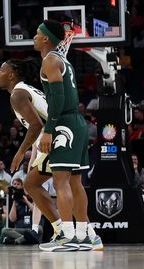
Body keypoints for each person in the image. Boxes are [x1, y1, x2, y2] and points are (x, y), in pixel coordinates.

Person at [33, 20, 101, 252]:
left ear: (45, 39)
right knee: (75, 182)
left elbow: (59, 98)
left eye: (36, 34)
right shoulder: (61, 59)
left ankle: (69, 237)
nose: (33, 37)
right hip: (77, 122)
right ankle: (83, 236)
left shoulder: (50, 60)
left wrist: (49, 130)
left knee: (60, 181)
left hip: (64, 124)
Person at [0, 57, 62, 242]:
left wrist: (18, 153)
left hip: (57, 138)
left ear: (11, 74)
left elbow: (36, 126)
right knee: (36, 184)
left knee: (52, 185)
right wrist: (33, 158)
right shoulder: (25, 90)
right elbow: (37, 126)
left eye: (1, 70)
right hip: (54, 138)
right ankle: (73, 231)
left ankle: (69, 232)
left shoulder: (18, 94)